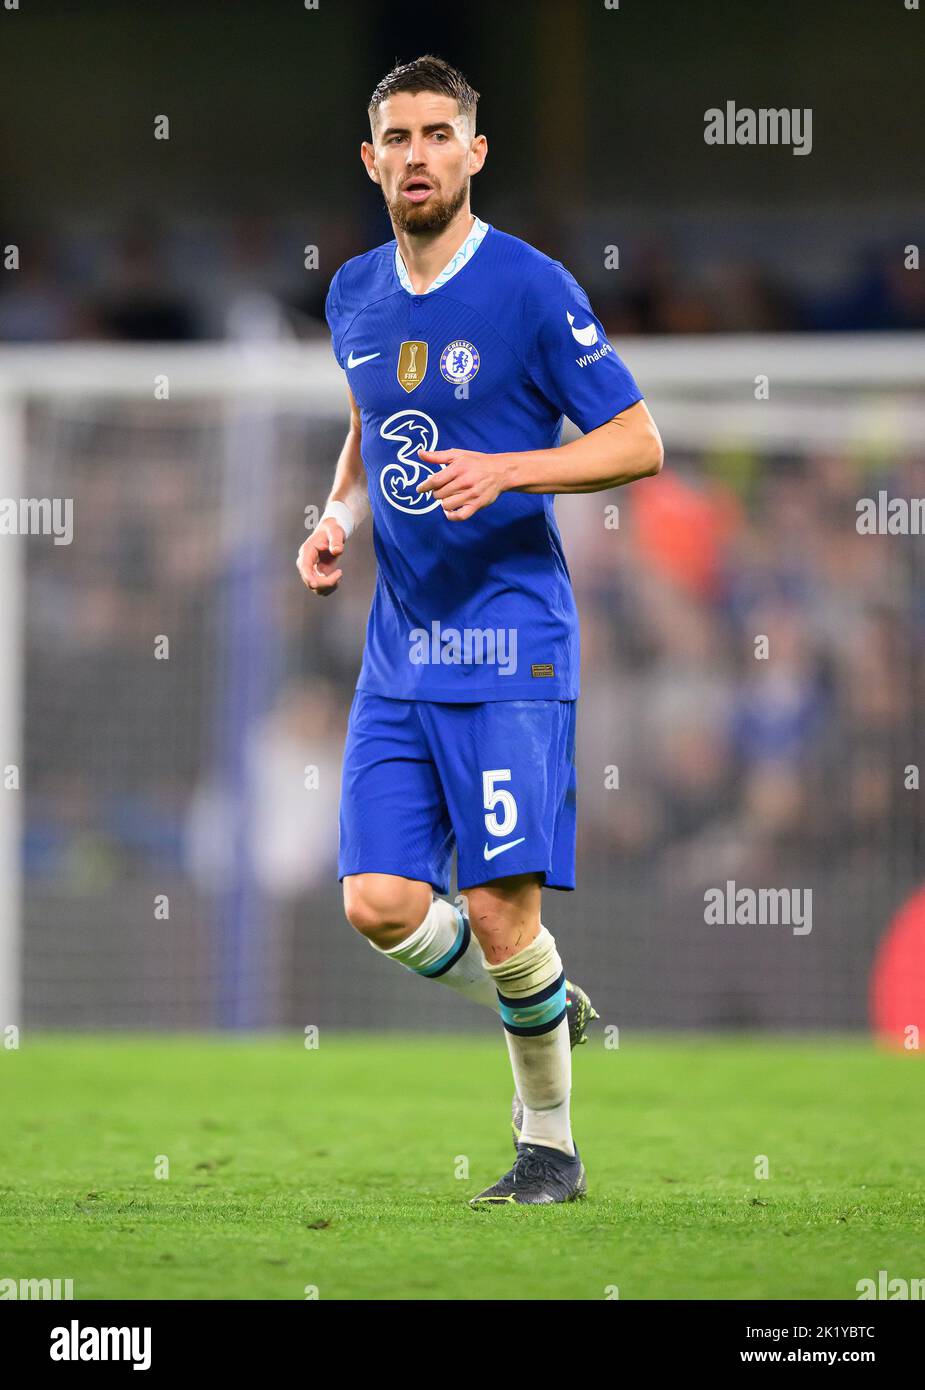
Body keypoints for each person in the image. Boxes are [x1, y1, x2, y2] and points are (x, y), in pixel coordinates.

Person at [297, 55, 663, 1206]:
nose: (416, 155)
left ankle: (547, 1147)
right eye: (395, 138)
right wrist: (335, 514)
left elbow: (639, 440)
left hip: (510, 638)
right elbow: (372, 417)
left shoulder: (533, 287)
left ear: (474, 152)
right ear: (371, 160)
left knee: (505, 911)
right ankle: (542, 993)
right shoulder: (353, 291)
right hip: (401, 648)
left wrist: (511, 468)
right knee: (377, 901)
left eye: (436, 134)